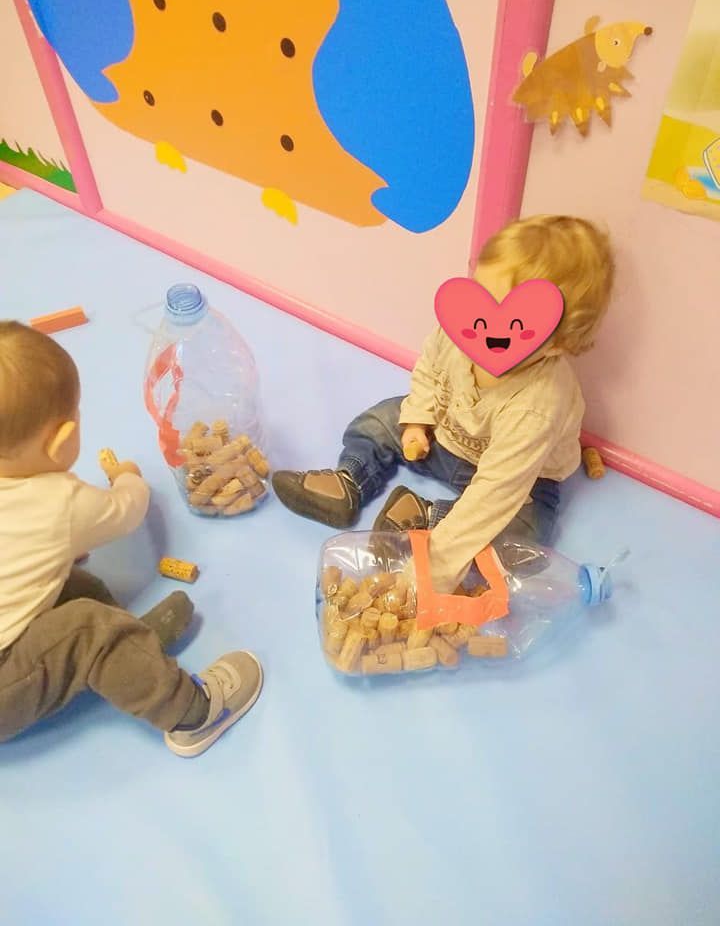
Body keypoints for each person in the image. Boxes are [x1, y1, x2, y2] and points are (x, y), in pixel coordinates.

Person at [273, 215, 615, 593]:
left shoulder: (537, 403)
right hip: (445, 438)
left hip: (521, 478)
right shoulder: (465, 329)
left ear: (559, 342)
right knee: (382, 419)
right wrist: (418, 420)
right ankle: (350, 479)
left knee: (529, 536)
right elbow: (430, 371)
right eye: (479, 300)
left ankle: (424, 517)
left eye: (511, 321)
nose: (483, 323)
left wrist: (434, 569)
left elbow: (495, 494)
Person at [0, 321, 262, 757]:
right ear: (63, 439)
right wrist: (128, 479)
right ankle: (193, 712)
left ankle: (132, 655)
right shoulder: (62, 503)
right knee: (89, 629)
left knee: (74, 586)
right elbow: (128, 510)